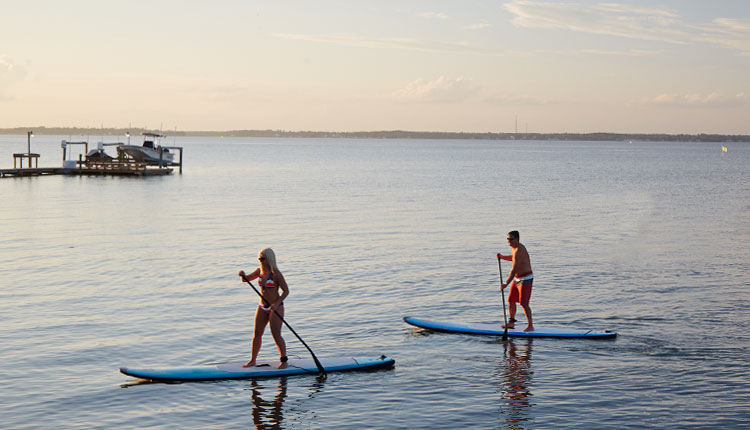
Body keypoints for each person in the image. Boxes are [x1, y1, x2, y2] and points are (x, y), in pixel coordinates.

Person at [238, 248, 289, 368]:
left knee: (276, 334)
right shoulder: (258, 271)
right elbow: (245, 280)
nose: (260, 261)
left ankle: (284, 361)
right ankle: (252, 360)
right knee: (257, 334)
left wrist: (276, 304)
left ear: (269, 259)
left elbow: (286, 291)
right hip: (262, 307)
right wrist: (242, 274)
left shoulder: (276, 274)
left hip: (276, 308)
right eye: (259, 258)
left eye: (262, 258)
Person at [497, 230, 535, 332]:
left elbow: (514, 269)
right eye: (508, 239)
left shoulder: (519, 250)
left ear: (517, 239)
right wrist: (502, 257)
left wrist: (505, 283)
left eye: (511, 239)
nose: (509, 241)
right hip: (517, 279)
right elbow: (513, 258)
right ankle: (511, 323)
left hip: (526, 279)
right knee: (511, 300)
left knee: (524, 303)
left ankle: (530, 326)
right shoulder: (514, 249)